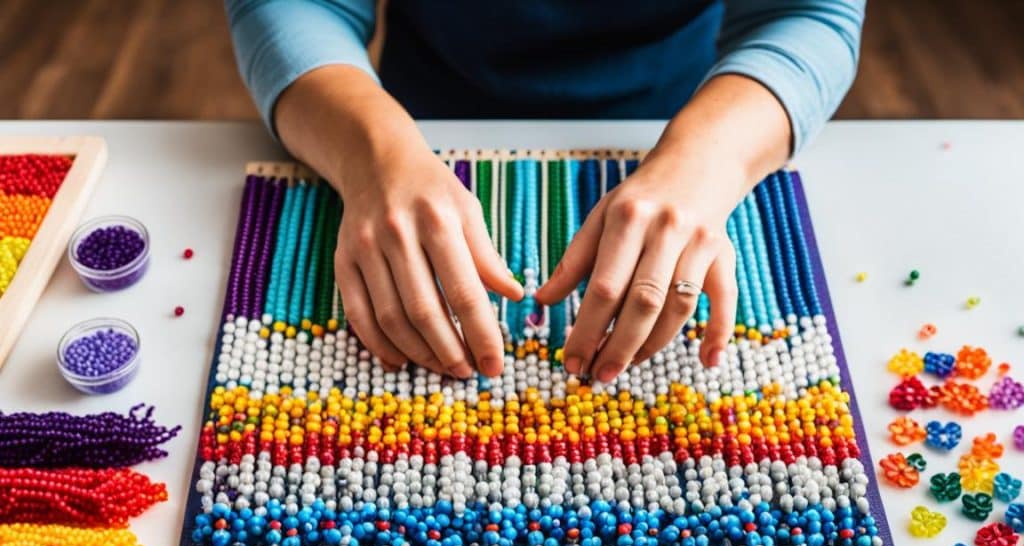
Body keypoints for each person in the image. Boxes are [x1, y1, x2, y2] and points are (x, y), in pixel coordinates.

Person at [227, 0, 864, 381]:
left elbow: (805, 13)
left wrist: (709, 160)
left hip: (695, 113)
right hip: (409, 117)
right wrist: (371, 154)